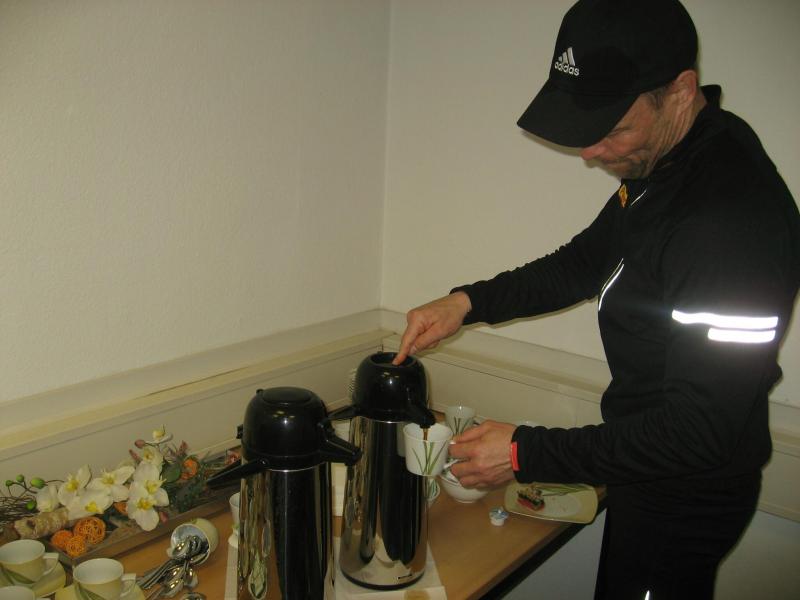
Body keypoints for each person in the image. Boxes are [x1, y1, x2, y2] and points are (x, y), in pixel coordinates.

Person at [391, 1, 800, 598]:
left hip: (685, 489)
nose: (589, 153)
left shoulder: (727, 221)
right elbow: (585, 262)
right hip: (648, 468)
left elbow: (700, 431)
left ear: (681, 92)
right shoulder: (668, 165)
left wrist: (524, 452)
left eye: (611, 131)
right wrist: (467, 303)